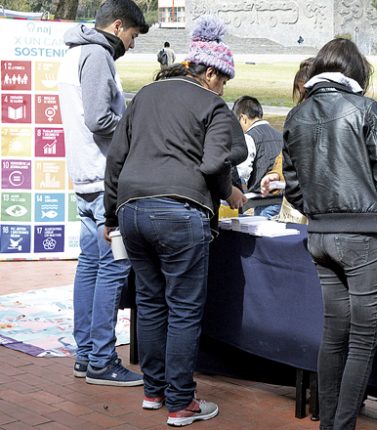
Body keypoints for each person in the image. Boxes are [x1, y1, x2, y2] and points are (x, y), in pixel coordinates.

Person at [103, 15, 246, 426]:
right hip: (180, 211)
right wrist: (229, 191)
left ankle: (153, 390)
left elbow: (117, 158)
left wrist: (112, 214)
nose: (224, 88)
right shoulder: (212, 104)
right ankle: (181, 402)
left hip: (132, 209)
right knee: (183, 307)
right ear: (212, 72)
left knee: (149, 303)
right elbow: (218, 159)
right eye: (224, 80)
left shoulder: (145, 95)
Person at [282, 38, 377, 430]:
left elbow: (293, 187)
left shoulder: (296, 116)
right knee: (362, 339)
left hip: (320, 236)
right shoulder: (365, 109)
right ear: (355, 74)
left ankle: (329, 423)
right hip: (362, 236)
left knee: (334, 335)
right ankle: (341, 425)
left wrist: (319, 210)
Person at [57, 0, 148, 387]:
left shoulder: (76, 53)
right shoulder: (96, 55)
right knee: (112, 266)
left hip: (88, 176)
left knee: (92, 265)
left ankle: (86, 356)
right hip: (103, 178)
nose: (132, 44)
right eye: (132, 35)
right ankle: (100, 358)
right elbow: (99, 119)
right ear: (117, 26)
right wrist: (136, 130)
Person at [259, 57, 314, 224]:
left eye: (306, 93)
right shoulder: (298, 115)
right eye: (300, 92)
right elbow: (288, 151)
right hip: (294, 203)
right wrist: (276, 174)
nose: (303, 98)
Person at [231, 96, 282, 218]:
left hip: (262, 201)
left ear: (243, 118)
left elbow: (243, 172)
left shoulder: (249, 137)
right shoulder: (280, 135)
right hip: (281, 199)